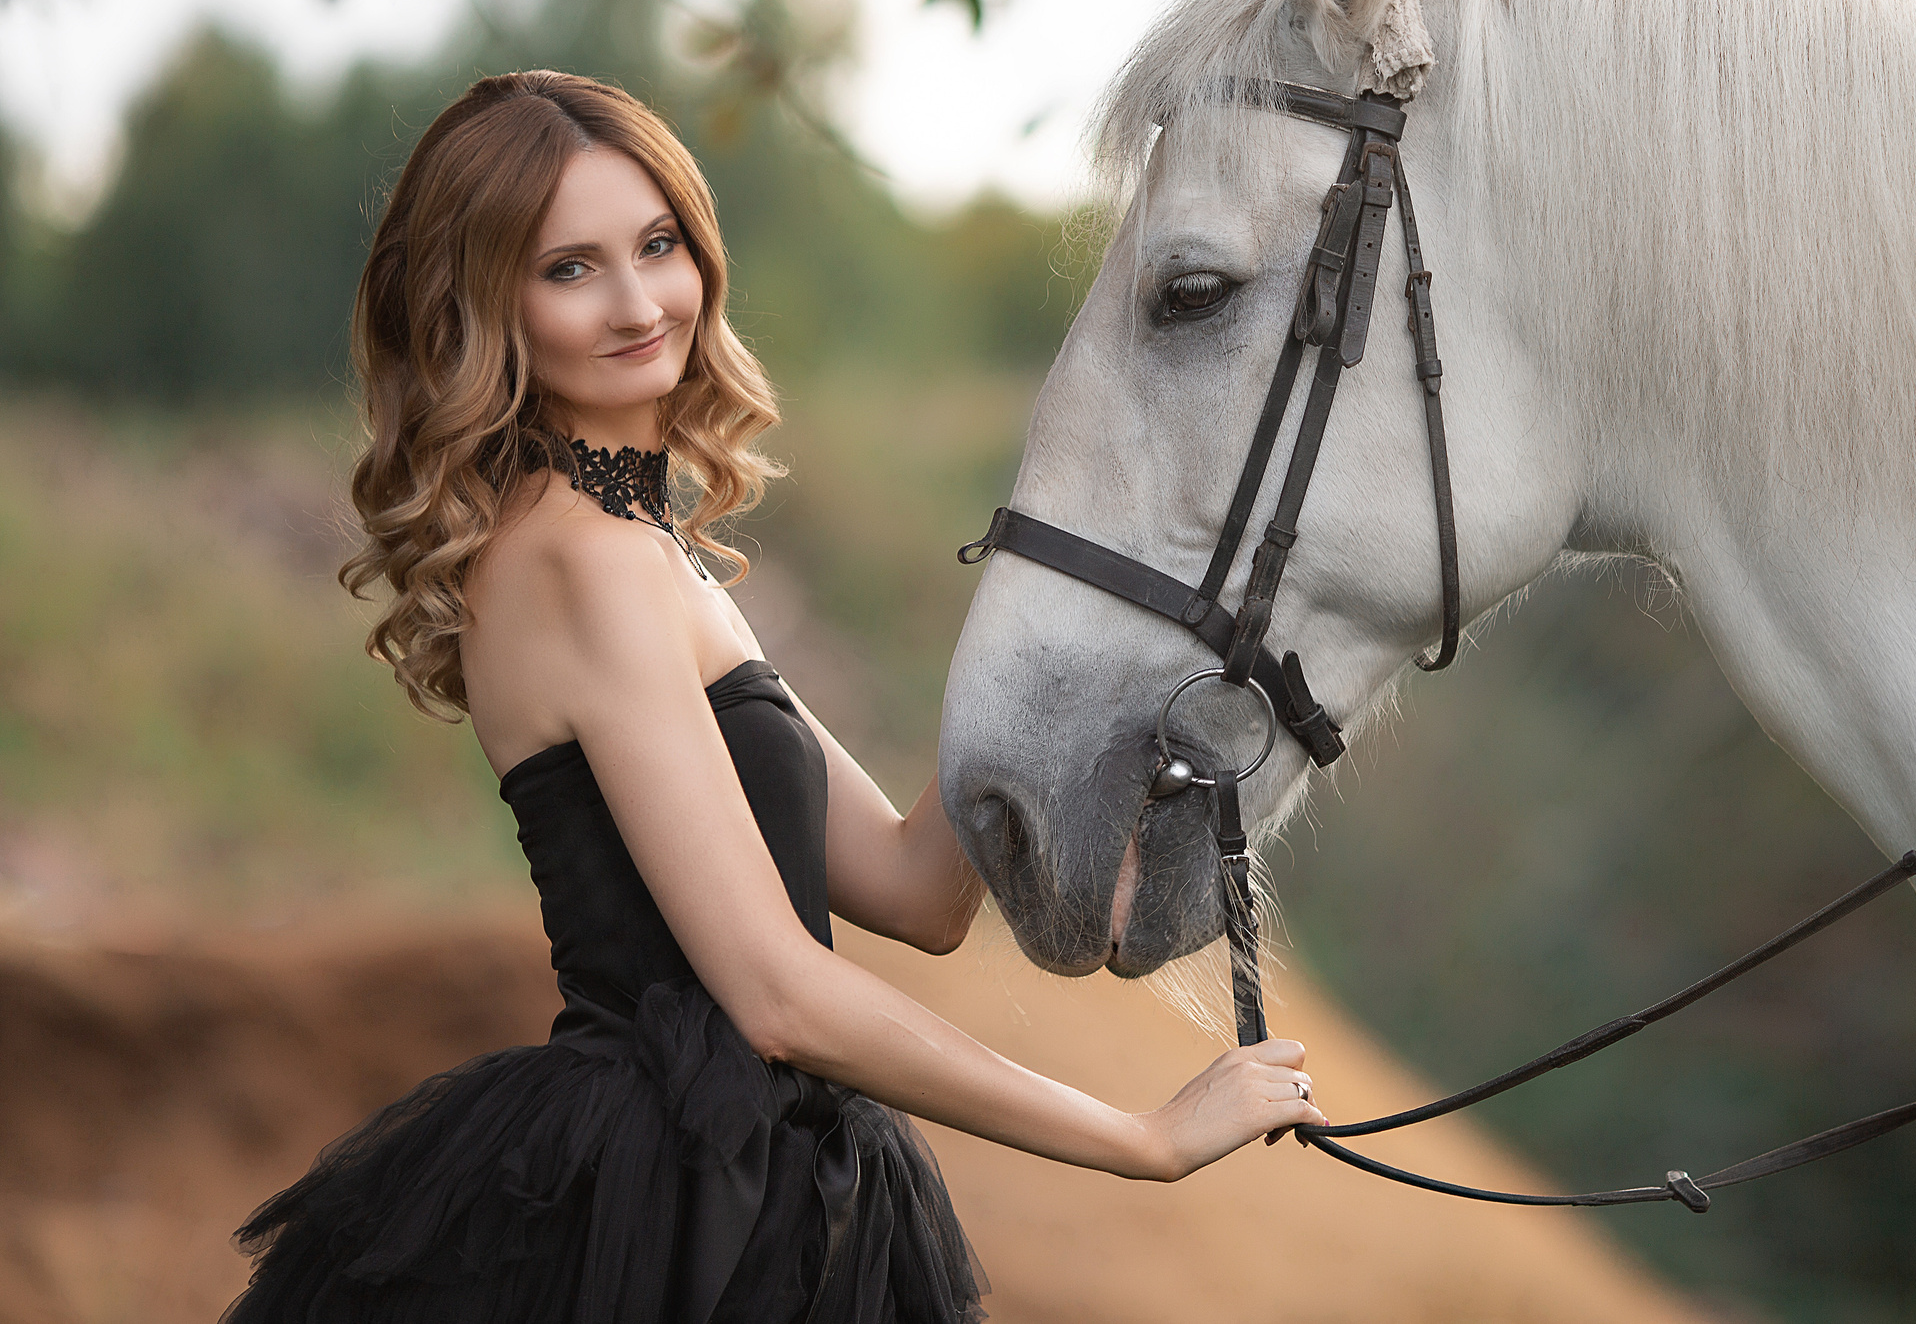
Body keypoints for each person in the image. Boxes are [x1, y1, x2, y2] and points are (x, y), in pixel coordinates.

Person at [225, 71, 1324, 1324]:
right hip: (663, 1215)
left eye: (656, 245)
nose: (641, 302)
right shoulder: (579, 559)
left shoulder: (638, 544)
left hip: (752, 1178)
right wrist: (1142, 1137)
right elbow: (777, 994)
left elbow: (916, 891)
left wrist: (1071, 645)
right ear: (485, 310)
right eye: (570, 269)